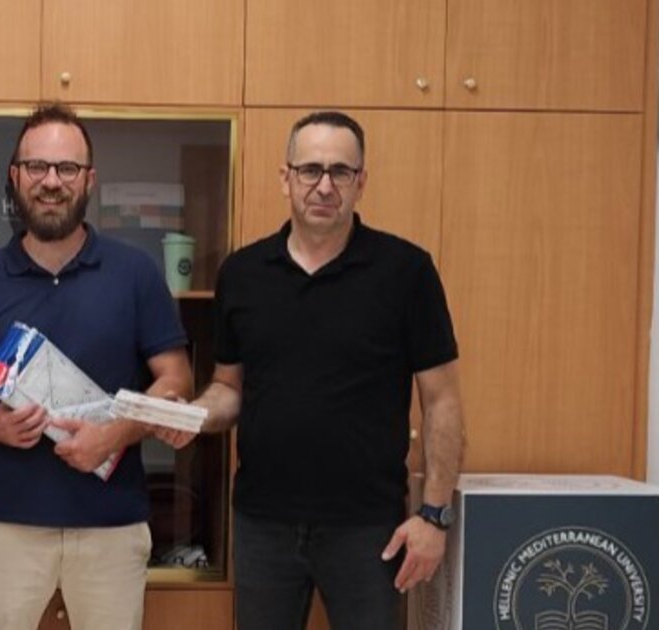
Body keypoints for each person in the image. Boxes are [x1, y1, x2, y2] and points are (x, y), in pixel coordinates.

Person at [157, 110, 465, 629]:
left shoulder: (406, 272)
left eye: (340, 172)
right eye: (310, 170)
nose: (324, 186)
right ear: (286, 178)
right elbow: (229, 387)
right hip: (262, 525)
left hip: (368, 528)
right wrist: (192, 416)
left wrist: (434, 515)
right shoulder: (242, 273)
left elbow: (443, 400)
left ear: (361, 182)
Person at [0, 102, 194, 630]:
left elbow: (176, 379)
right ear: (15, 176)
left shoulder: (136, 273)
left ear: (89, 180)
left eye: (67, 168)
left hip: (111, 528)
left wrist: (114, 434)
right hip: (5, 526)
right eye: (37, 166)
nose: (51, 182)